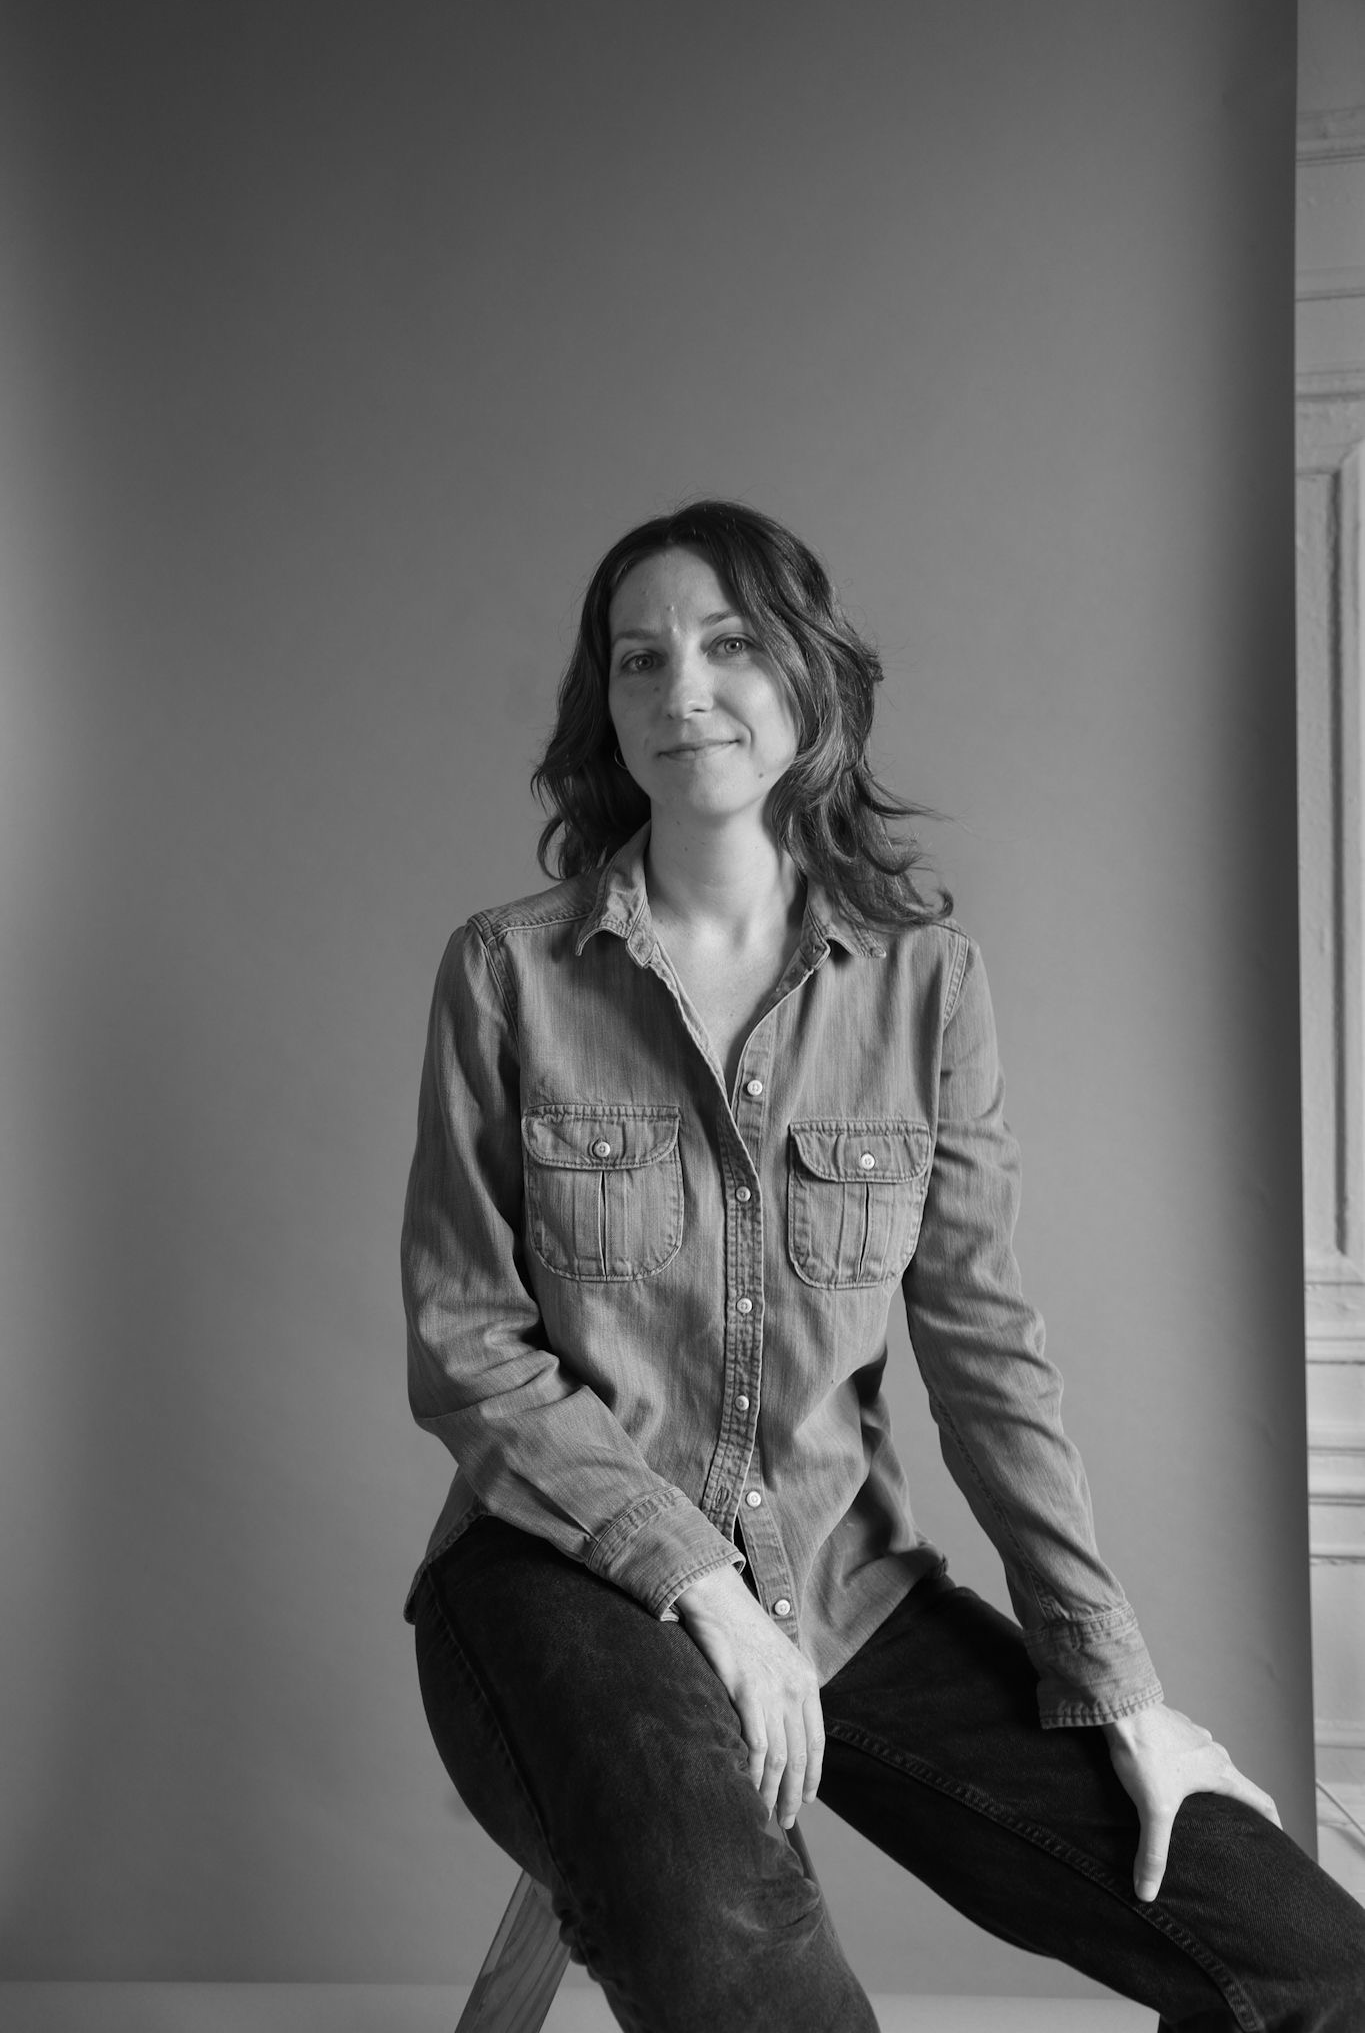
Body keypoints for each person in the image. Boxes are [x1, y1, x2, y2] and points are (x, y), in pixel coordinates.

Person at [401, 499, 1365, 2031]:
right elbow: (470, 1348)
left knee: (1312, 1965)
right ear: (605, 705)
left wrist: (1112, 1686)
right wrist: (702, 1586)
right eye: (637, 661)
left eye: (724, 647)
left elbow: (986, 1357)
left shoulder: (927, 987)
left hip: (841, 1591)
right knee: (744, 1958)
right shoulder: (507, 970)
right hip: (556, 1577)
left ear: (808, 681)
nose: (679, 692)